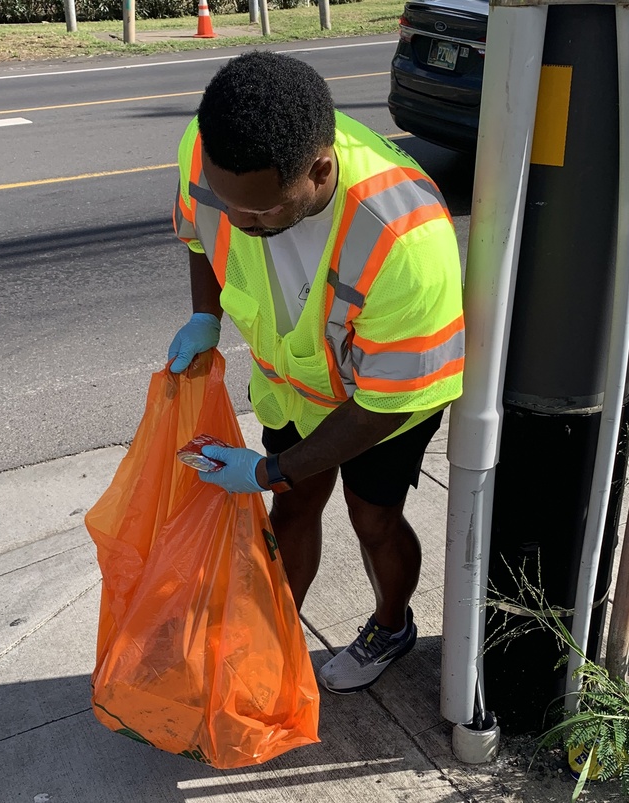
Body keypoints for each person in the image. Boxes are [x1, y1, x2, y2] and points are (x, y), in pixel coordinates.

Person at [168, 51, 464, 695]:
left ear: (319, 169)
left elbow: (387, 402)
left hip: (381, 402)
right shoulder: (208, 151)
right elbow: (199, 235)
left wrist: (269, 466)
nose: (243, 225)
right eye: (232, 206)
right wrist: (204, 318)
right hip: (291, 382)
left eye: (264, 213)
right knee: (293, 506)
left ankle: (392, 627)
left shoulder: (404, 239)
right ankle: (272, 636)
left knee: (372, 519)